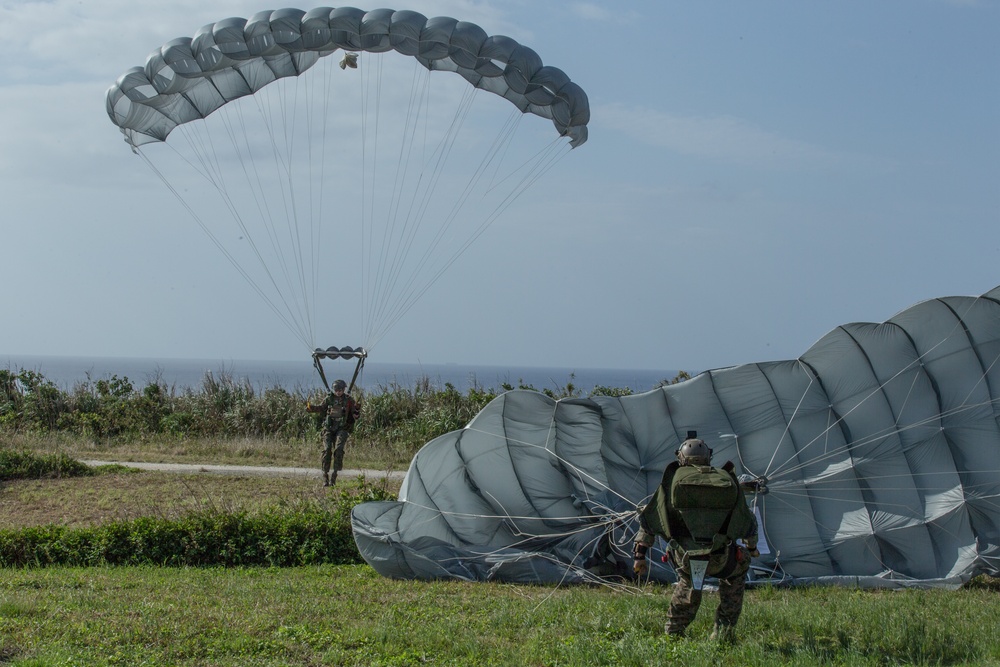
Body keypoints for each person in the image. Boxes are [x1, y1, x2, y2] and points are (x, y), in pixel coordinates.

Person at [632, 432, 759, 642]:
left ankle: (673, 633)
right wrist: (752, 548)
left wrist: (639, 556)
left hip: (685, 558)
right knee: (739, 567)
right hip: (721, 559)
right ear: (708, 457)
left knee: (688, 585)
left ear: (681, 458)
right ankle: (724, 632)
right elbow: (747, 522)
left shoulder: (672, 482)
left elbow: (650, 521)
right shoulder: (726, 480)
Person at [306, 379, 360, 486]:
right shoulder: (329, 399)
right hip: (329, 428)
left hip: (342, 428)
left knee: (339, 450)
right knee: (327, 450)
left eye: (340, 390)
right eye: (336, 390)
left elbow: (355, 413)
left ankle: (334, 476)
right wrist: (311, 408)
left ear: (344, 389)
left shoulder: (349, 400)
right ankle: (325, 476)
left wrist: (357, 412)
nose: (338, 392)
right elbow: (321, 408)